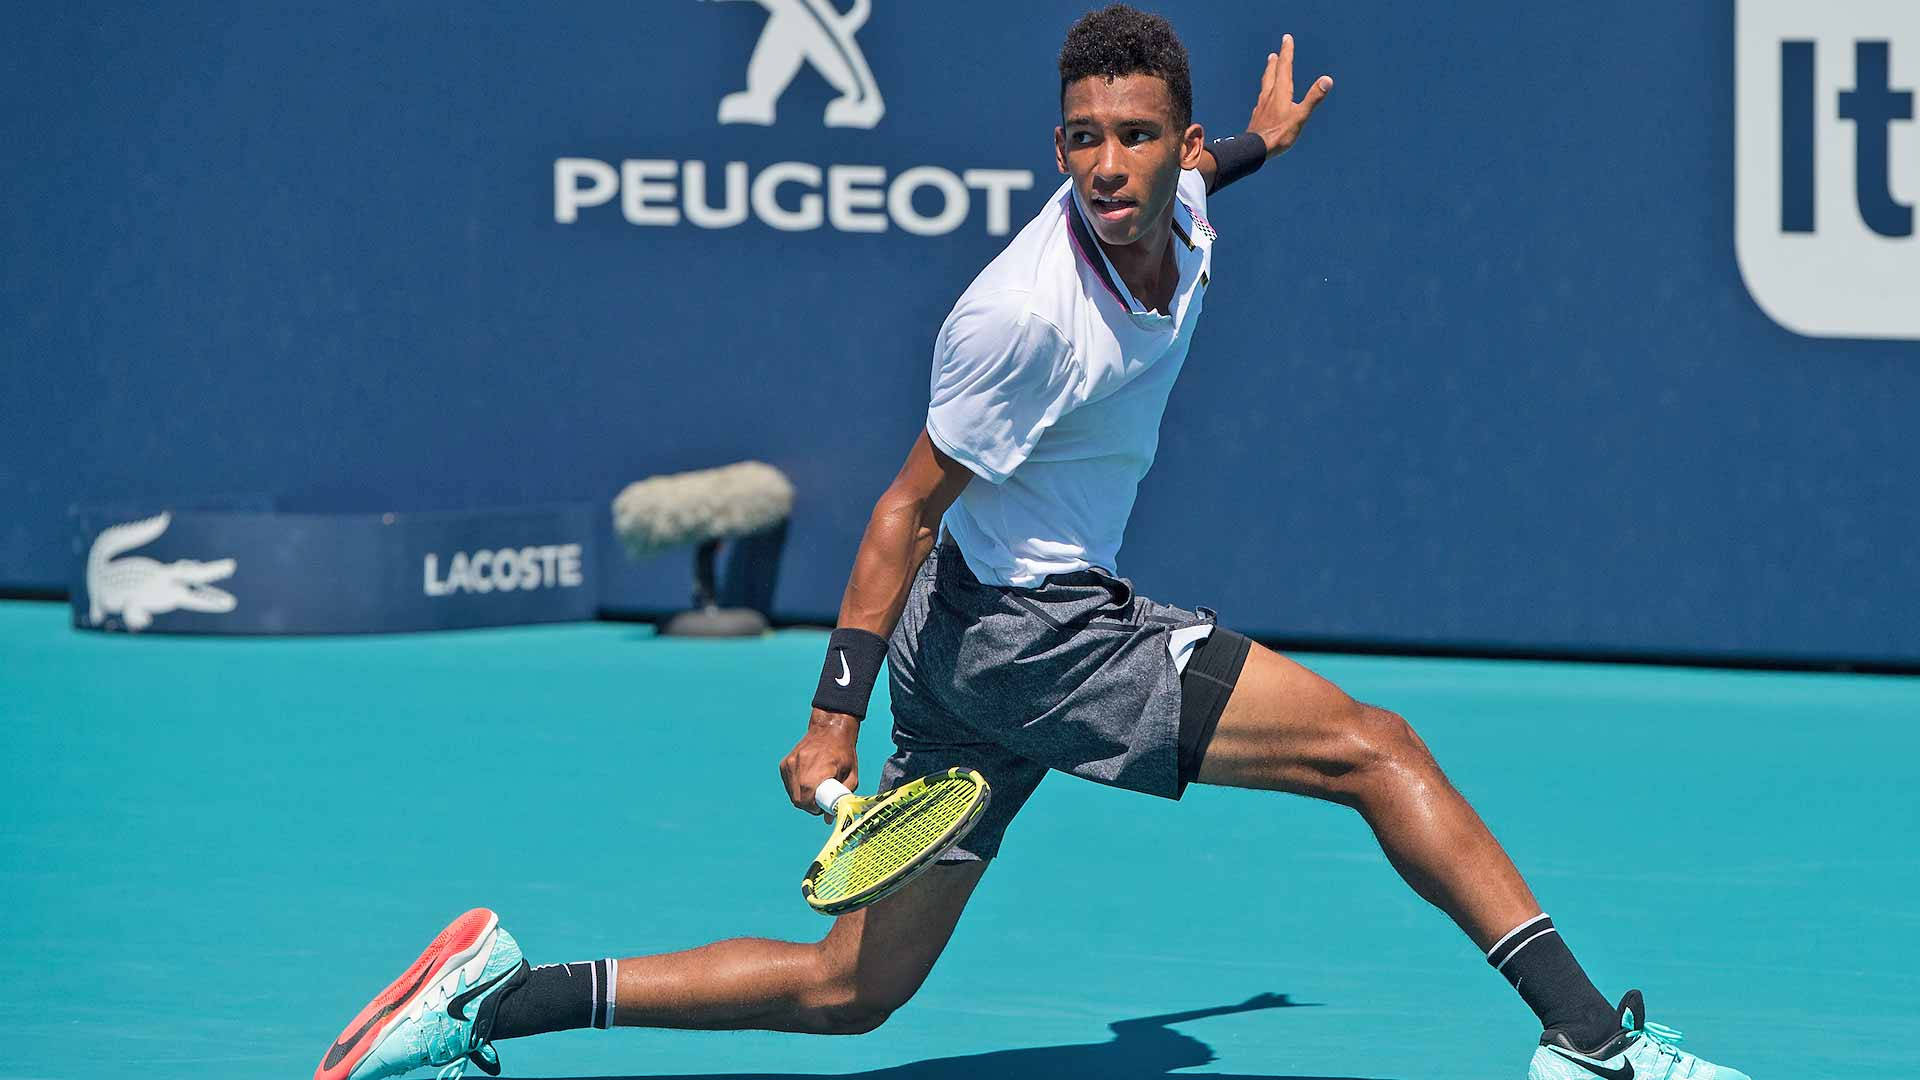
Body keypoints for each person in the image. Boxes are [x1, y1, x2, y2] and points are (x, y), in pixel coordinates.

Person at [315, 8, 1749, 1080]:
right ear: (1054, 144)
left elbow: (1210, 170)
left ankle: (503, 1001)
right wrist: (829, 720)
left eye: (1135, 137)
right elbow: (897, 512)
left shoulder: (1186, 197)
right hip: (1033, 632)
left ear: (1176, 147)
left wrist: (1264, 144)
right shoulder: (1021, 317)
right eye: (1081, 138)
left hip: (978, 643)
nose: (1107, 166)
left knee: (847, 993)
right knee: (1374, 749)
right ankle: (1591, 1044)